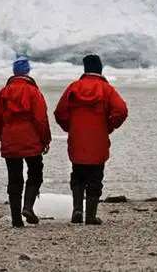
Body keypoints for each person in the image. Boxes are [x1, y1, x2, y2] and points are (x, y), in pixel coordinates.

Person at [54, 54, 128, 225]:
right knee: (95, 178)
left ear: (85, 69)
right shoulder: (106, 89)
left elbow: (60, 113)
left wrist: (71, 127)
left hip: (77, 139)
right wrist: (108, 126)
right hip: (98, 139)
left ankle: (77, 209)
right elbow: (121, 111)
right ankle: (90, 216)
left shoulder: (74, 88)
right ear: (100, 69)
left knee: (78, 175)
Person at [0, 56, 51, 228]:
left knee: (14, 179)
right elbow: (41, 119)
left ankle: (16, 219)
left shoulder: (4, 92)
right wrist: (45, 140)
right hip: (31, 141)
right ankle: (28, 206)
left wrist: (3, 137)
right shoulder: (33, 92)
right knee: (35, 173)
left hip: (10, 141)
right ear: (27, 71)